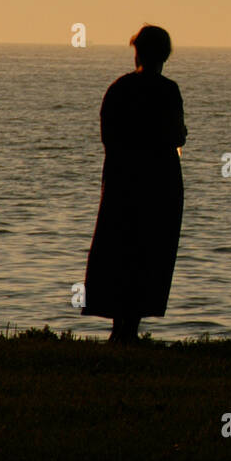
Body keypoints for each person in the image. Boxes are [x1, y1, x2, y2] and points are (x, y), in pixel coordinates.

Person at [82, 25, 187, 344]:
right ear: (165, 55)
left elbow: (108, 137)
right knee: (150, 252)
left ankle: (120, 326)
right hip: (160, 184)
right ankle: (131, 326)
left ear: (137, 51)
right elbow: (175, 135)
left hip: (123, 182)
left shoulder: (120, 88)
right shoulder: (168, 91)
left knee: (119, 249)